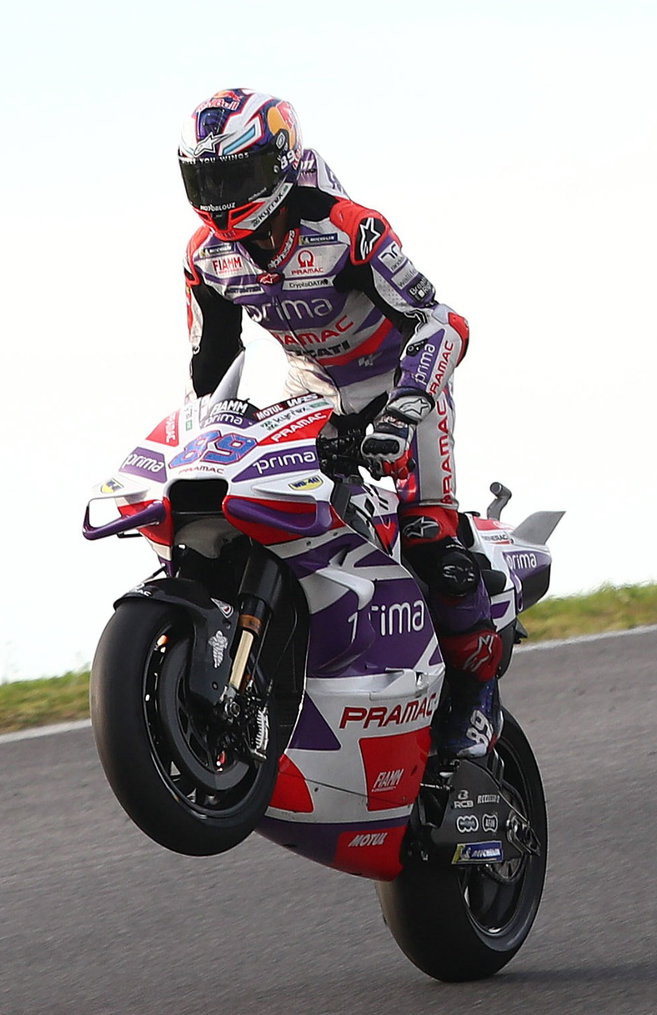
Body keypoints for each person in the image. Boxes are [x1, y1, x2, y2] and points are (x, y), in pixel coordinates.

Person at [177, 87, 501, 762]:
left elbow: (444, 323)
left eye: (234, 176)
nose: (219, 198)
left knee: (430, 544)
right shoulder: (204, 256)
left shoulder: (350, 229)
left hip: (400, 386)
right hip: (312, 394)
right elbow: (211, 361)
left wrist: (407, 406)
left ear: (277, 163)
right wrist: (201, 436)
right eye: (205, 181)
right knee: (263, 512)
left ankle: (478, 693)